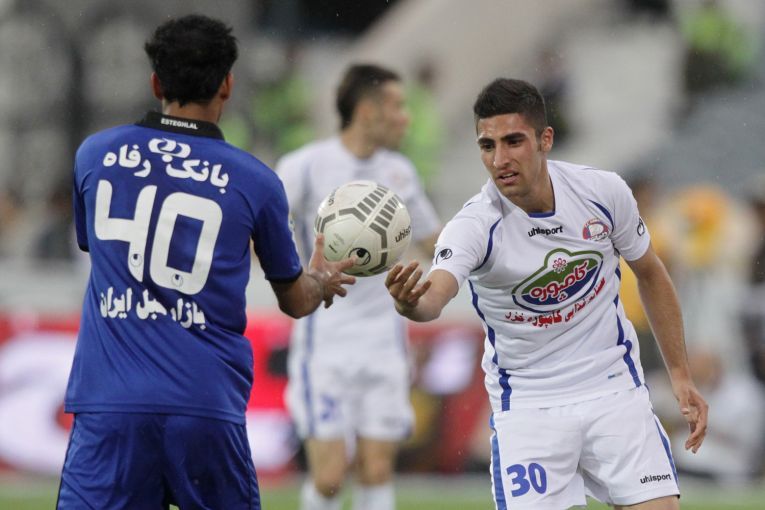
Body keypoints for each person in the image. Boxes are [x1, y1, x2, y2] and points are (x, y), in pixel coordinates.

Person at [57, 15, 355, 510]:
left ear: (156, 83)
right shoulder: (256, 181)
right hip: (205, 406)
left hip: (111, 408)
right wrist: (320, 281)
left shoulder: (95, 154)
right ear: (227, 85)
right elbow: (296, 300)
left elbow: (97, 247)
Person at [385, 78, 708, 510]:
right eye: (487, 145)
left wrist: (681, 376)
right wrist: (410, 303)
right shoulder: (474, 226)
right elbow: (434, 297)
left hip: (613, 391)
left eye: (513, 141)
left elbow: (651, 274)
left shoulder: (603, 193)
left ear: (545, 139)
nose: (500, 159)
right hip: (529, 409)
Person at [276, 63, 441, 510]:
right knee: (330, 477)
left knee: (377, 470)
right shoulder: (304, 166)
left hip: (384, 343)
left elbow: (434, 241)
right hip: (324, 344)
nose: (406, 117)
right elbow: (262, 232)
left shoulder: (400, 172)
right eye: (397, 106)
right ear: (367, 111)